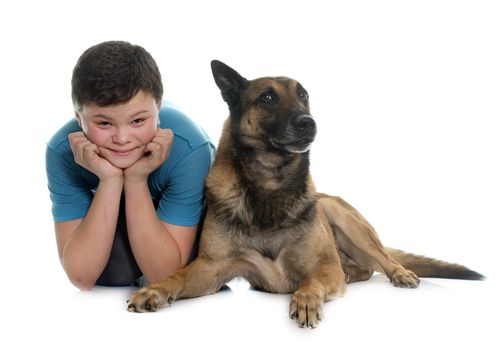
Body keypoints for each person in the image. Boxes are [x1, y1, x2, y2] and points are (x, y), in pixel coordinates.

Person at [46, 41, 215, 290]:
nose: (122, 138)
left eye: (138, 120)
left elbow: (164, 278)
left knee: (189, 266)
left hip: (185, 224)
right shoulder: (61, 151)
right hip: (121, 213)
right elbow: (81, 276)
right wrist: (110, 179)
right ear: (78, 117)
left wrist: (136, 179)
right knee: (115, 271)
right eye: (104, 123)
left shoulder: (189, 149)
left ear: (158, 108)